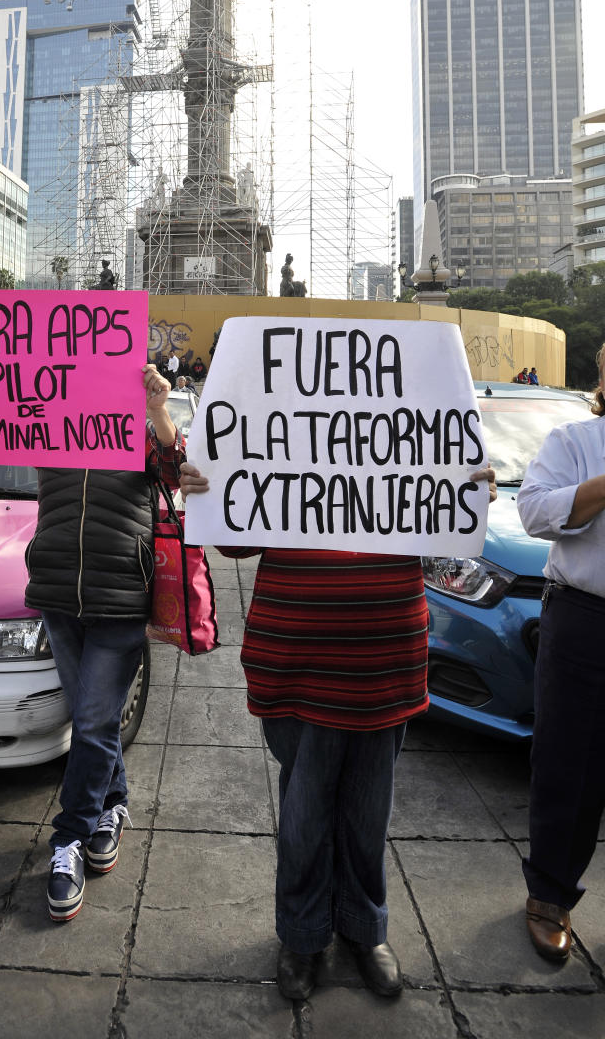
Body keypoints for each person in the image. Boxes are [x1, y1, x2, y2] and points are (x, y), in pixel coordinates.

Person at [179, 460, 497, 1003]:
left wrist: (466, 492)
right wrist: (210, 490)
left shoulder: (413, 422)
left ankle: (363, 928)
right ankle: (303, 936)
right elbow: (234, 546)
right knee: (306, 813)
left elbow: (450, 546)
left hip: (385, 657)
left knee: (368, 812)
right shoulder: (278, 423)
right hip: (297, 658)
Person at [0, 355, 184, 925]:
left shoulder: (135, 426)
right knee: (91, 716)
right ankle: (113, 807)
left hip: (121, 597)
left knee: (96, 720)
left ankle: (68, 840)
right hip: (56, 592)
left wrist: (157, 406)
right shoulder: (46, 423)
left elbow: (176, 472)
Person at [515, 345, 605, 961]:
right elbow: (533, 511)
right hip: (586, 618)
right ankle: (550, 896)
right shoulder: (575, 440)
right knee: (569, 765)